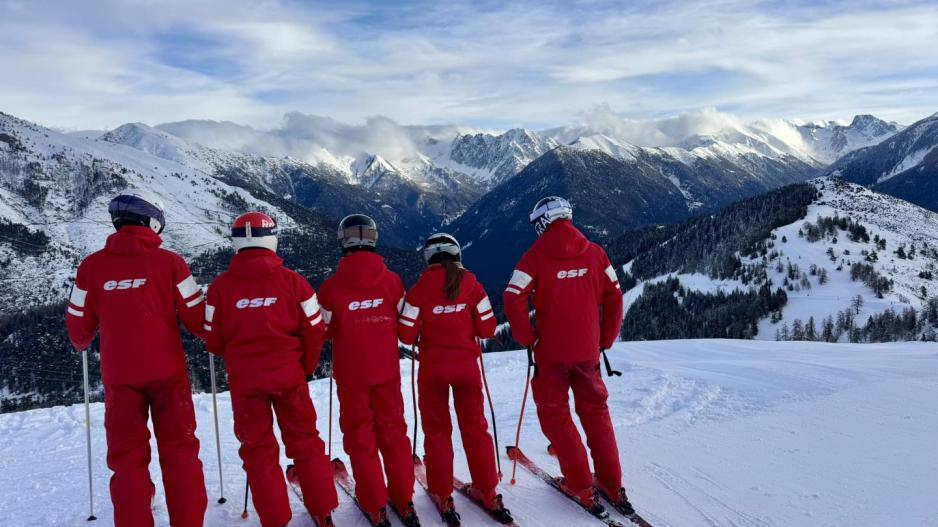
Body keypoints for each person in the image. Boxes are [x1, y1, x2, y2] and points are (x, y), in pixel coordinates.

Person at [65, 190, 207, 527]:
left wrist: (82, 341)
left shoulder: (91, 267)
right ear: (152, 222)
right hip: (168, 373)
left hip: (120, 376)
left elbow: (77, 323)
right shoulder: (171, 263)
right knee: (180, 452)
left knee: (127, 460)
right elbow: (196, 318)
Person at [202, 211, 338, 527]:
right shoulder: (294, 282)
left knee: (258, 450)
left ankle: (275, 518)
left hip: (246, 382)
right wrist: (304, 366)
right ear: (272, 240)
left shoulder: (220, 288)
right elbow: (315, 328)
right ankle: (324, 509)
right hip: (289, 375)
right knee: (305, 441)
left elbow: (213, 339)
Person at [502, 196, 633, 516]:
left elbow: (512, 297)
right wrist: (605, 339)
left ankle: (579, 484)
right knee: (596, 414)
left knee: (556, 416)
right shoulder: (595, 253)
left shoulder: (533, 257)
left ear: (544, 222)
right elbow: (615, 295)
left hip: (551, 354)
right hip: (588, 352)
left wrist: (527, 338)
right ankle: (611, 484)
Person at [398, 233, 512, 523]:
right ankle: (487, 490)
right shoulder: (472, 284)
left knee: (437, 432)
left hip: (433, 371)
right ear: (457, 254)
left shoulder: (419, 290)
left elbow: (407, 334)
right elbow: (487, 328)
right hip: (467, 369)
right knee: (475, 428)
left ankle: (443, 494)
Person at [318, 214, 419, 527]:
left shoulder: (331, 288)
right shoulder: (392, 281)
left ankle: (375, 504)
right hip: (386, 371)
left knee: (361, 439)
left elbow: (323, 330)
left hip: (351, 376)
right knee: (394, 434)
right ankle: (403, 499)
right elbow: (405, 329)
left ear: (343, 240)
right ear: (373, 239)